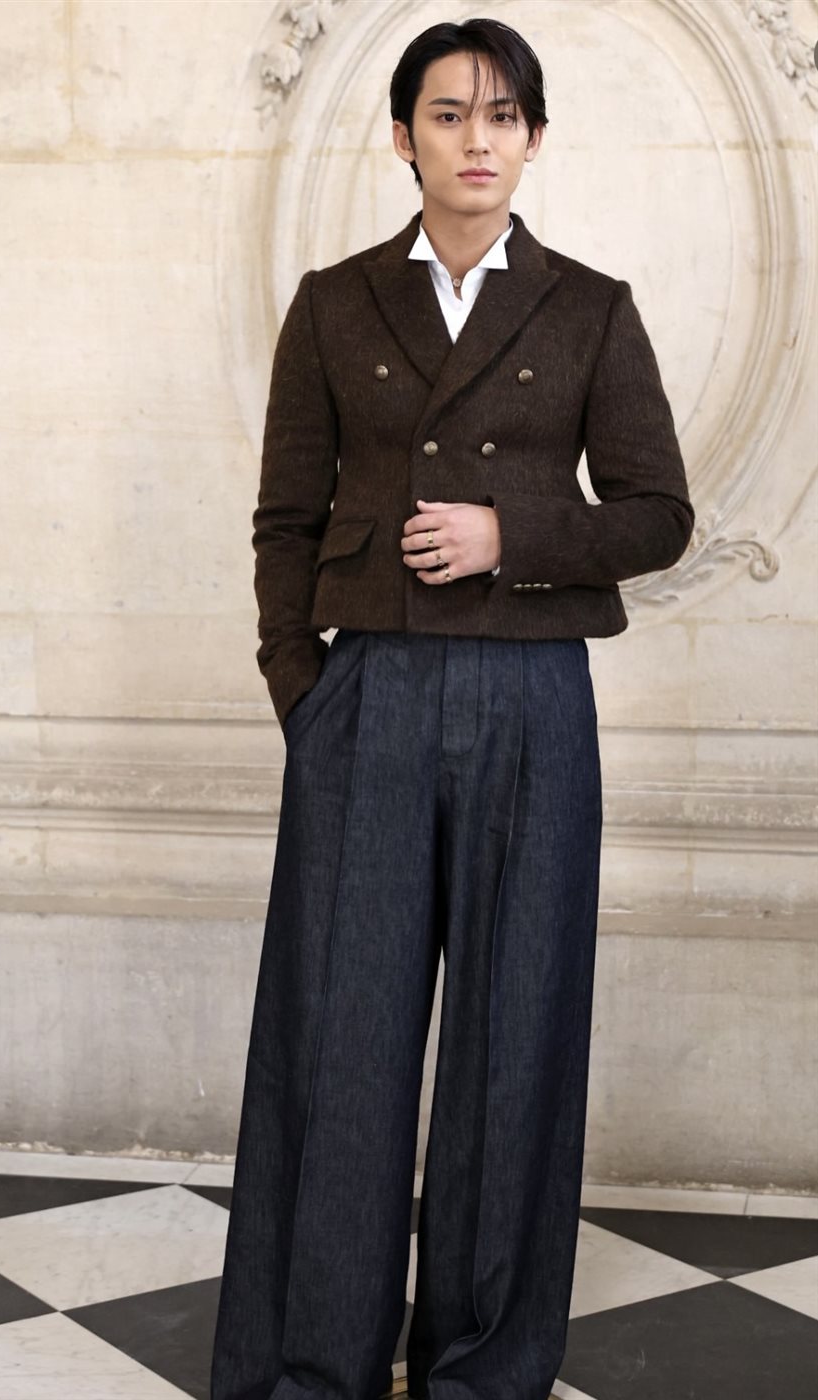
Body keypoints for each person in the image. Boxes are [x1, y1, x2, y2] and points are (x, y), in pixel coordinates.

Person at [210, 16, 695, 1400]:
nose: (474, 140)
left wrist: (509, 535)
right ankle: (315, 1364)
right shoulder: (335, 301)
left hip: (533, 701)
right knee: (338, 1040)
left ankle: (481, 1369)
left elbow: (657, 515)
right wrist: (302, 689)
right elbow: (283, 518)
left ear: (532, 139)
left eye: (500, 116)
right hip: (365, 698)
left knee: (514, 1036)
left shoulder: (590, 307)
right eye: (446, 114)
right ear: (403, 136)